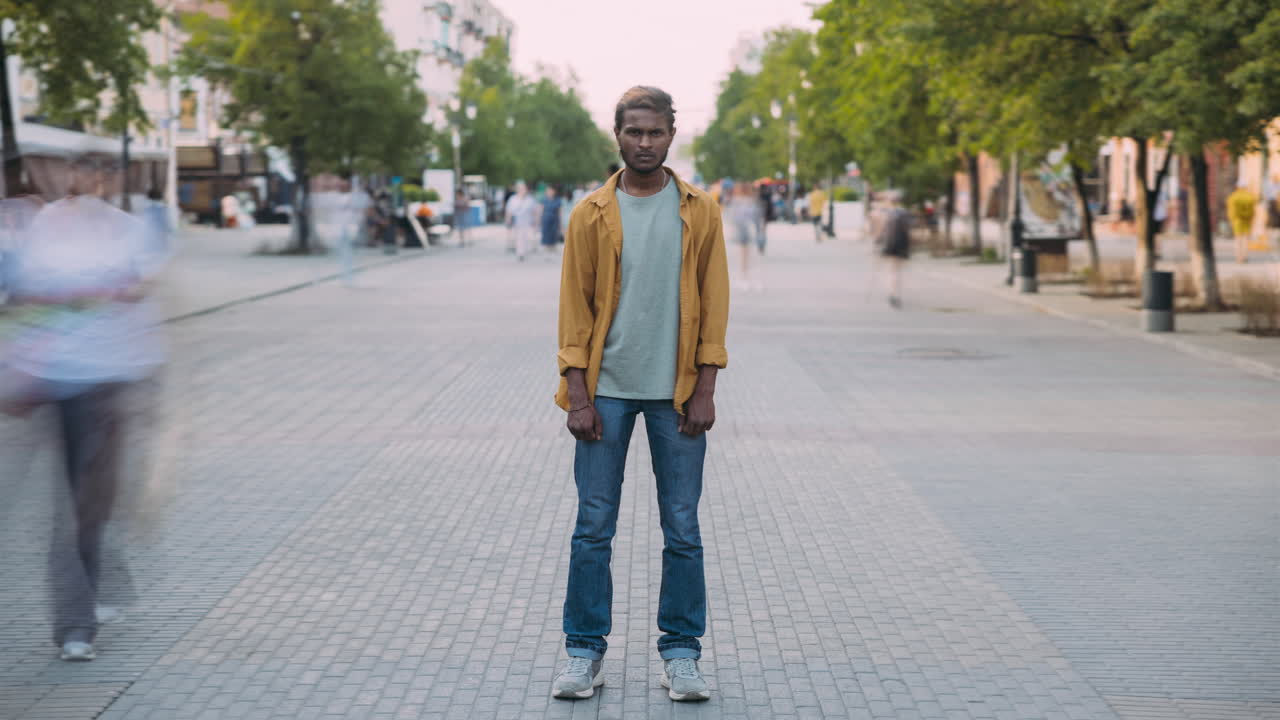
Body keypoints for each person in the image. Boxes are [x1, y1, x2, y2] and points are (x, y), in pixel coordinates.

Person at [553, 86, 729, 703]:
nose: (645, 143)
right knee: (592, 528)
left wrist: (706, 387)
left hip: (676, 396)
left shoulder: (699, 210)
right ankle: (583, 653)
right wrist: (577, 393)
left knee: (682, 528)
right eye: (634, 132)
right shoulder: (591, 213)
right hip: (606, 394)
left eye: (655, 132)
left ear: (671, 134)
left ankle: (681, 654)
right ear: (618, 135)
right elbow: (574, 308)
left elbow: (714, 305)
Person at [0, 156, 168, 662]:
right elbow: (18, 298)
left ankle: (85, 608)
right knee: (70, 507)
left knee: (88, 505)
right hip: (52, 382)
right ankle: (81, 616)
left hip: (105, 385)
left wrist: (147, 382)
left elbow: (143, 302)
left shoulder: (125, 231)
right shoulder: (38, 229)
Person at [875, 191, 911, 308]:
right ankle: (896, 294)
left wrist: (878, 241)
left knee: (891, 270)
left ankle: (892, 293)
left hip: (890, 245)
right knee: (897, 271)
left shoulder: (887, 214)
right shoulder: (904, 213)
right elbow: (908, 230)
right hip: (901, 245)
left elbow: (881, 231)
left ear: (890, 202)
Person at [504, 181, 537, 261]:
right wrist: (508, 220)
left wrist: (536, 221)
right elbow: (509, 211)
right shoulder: (513, 199)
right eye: (521, 189)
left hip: (528, 222)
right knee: (519, 237)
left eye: (524, 189)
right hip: (517, 222)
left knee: (526, 237)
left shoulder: (530, 199)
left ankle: (524, 251)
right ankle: (520, 253)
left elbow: (535, 211)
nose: (523, 190)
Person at [1227, 183, 1257, 263]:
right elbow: (1253, 210)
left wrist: (1231, 220)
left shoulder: (1234, 197)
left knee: (1238, 239)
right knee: (1245, 239)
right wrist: (1251, 218)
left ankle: (1238, 257)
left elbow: (1231, 210)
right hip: (1247, 220)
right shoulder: (1250, 197)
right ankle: (1245, 256)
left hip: (1237, 220)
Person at [541, 185, 563, 254]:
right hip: (546, 218)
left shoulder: (557, 200)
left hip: (554, 219)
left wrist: (560, 221)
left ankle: (552, 247)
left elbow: (559, 211)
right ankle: (547, 248)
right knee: (546, 233)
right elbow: (541, 210)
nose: (550, 192)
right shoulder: (544, 200)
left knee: (553, 233)